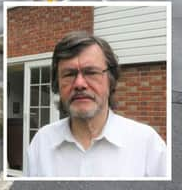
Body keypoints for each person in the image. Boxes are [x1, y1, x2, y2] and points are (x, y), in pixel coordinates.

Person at [24, 31, 167, 177]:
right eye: (69, 74)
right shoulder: (41, 143)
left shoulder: (147, 145)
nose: (79, 84)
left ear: (110, 80)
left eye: (91, 72)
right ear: (57, 84)